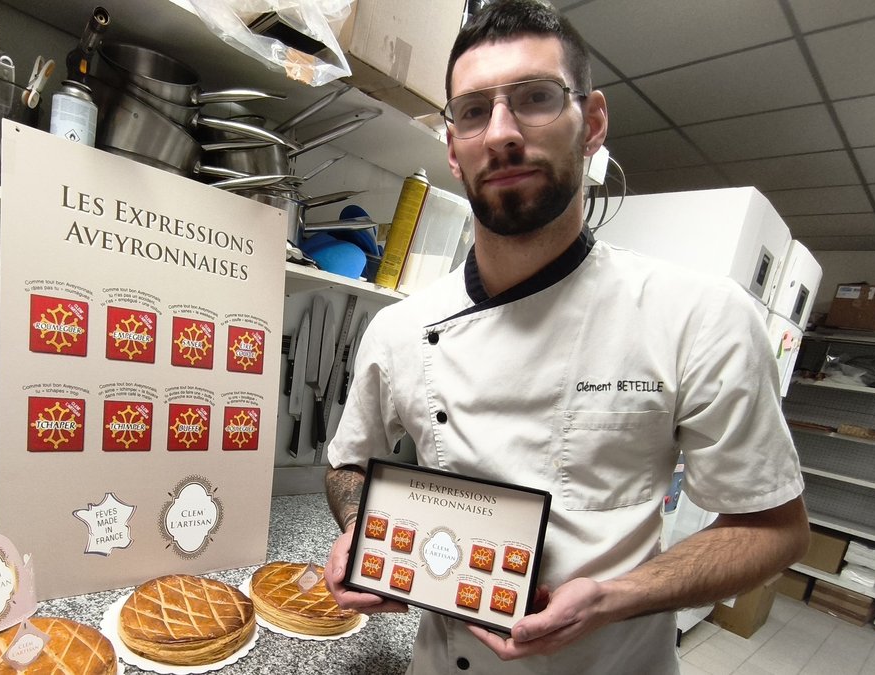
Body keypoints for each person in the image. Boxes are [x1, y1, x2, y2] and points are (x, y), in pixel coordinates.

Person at [321, 1, 811, 673]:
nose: (500, 133)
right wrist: (358, 531)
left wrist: (612, 596)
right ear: (454, 150)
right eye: (472, 110)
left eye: (535, 98)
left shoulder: (698, 315)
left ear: (594, 125)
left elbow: (775, 528)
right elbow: (348, 463)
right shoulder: (399, 328)